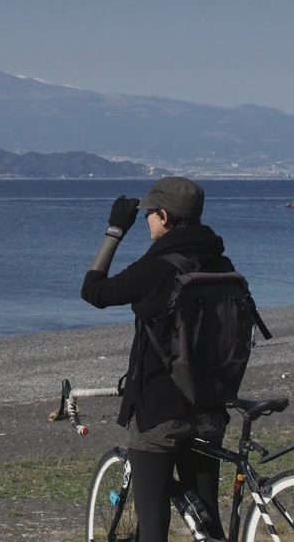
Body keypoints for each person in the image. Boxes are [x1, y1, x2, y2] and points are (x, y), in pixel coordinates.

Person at [80, 177, 233, 542]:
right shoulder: (220, 261)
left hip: (160, 413)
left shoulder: (156, 269)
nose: (148, 220)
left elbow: (93, 290)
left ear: (164, 216)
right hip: (210, 406)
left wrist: (115, 231)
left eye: (150, 214)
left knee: (153, 524)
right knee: (208, 521)